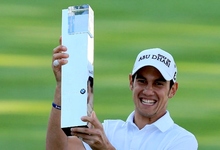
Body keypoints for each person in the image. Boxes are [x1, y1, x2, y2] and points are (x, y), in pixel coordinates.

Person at [46, 38, 198, 150]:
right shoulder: (108, 130)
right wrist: (62, 87)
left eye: (158, 83)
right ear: (131, 82)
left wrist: (105, 148)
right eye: (142, 81)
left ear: (173, 89)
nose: (148, 91)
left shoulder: (182, 141)